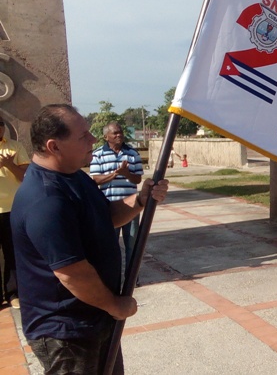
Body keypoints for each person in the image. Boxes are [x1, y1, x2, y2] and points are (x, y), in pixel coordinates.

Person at [10, 104, 168, 374]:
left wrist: (141, 199)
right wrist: (115, 305)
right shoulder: (45, 199)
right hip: (67, 333)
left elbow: (106, 218)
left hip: (95, 317)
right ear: (54, 146)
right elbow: (72, 273)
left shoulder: (74, 177)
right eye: (83, 135)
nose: (93, 139)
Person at [90, 122, 144, 275]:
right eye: (115, 133)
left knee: (132, 244)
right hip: (109, 208)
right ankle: (112, 277)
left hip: (131, 207)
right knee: (110, 246)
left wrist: (126, 174)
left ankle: (131, 278)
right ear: (106, 137)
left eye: (120, 132)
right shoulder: (98, 154)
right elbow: (96, 179)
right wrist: (115, 174)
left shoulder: (132, 153)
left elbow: (138, 179)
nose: (119, 135)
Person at [0, 115, 29, 309]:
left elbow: (25, 176)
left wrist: (9, 164)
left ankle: (13, 293)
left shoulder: (15, 147)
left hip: (12, 209)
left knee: (12, 253)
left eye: (0, 125)